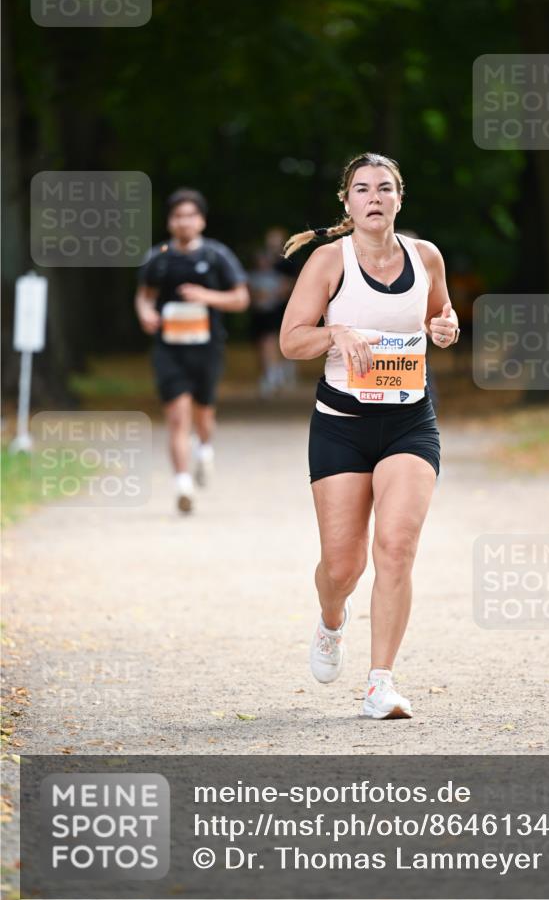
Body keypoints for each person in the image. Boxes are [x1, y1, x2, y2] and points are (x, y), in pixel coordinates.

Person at [279, 153, 459, 720]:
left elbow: (440, 316)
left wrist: (446, 327)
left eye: (385, 188)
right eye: (362, 189)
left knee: (396, 549)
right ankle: (333, 621)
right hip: (341, 427)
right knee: (342, 567)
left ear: (399, 199)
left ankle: (381, 683)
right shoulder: (329, 262)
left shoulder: (426, 255)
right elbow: (290, 341)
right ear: (347, 202)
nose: (374, 197)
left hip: (410, 422)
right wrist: (335, 332)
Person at [135, 189, 249, 514]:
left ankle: (204, 448)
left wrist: (206, 296)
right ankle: (182, 484)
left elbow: (241, 299)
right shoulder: (157, 257)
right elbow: (144, 296)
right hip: (168, 348)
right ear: (170, 222)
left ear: (201, 220)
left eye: (190, 215)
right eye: (177, 216)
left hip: (207, 347)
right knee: (175, 417)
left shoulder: (217, 256)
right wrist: (145, 313)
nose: (184, 222)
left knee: (203, 414)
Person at [247, 227, 298, 397]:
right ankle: (272, 373)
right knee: (265, 341)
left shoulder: (289, 261)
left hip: (283, 308)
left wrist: (277, 292)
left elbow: (293, 285)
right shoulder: (260, 267)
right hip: (264, 311)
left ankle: (281, 371)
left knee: (277, 339)